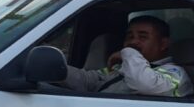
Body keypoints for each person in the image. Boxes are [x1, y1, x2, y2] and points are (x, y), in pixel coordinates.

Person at [64, 15, 193, 97]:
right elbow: (90, 81)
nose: (133, 41)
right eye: (129, 36)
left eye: (143, 37)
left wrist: (128, 52)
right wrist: (58, 70)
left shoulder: (176, 73)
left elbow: (145, 84)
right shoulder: (125, 66)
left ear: (163, 43)